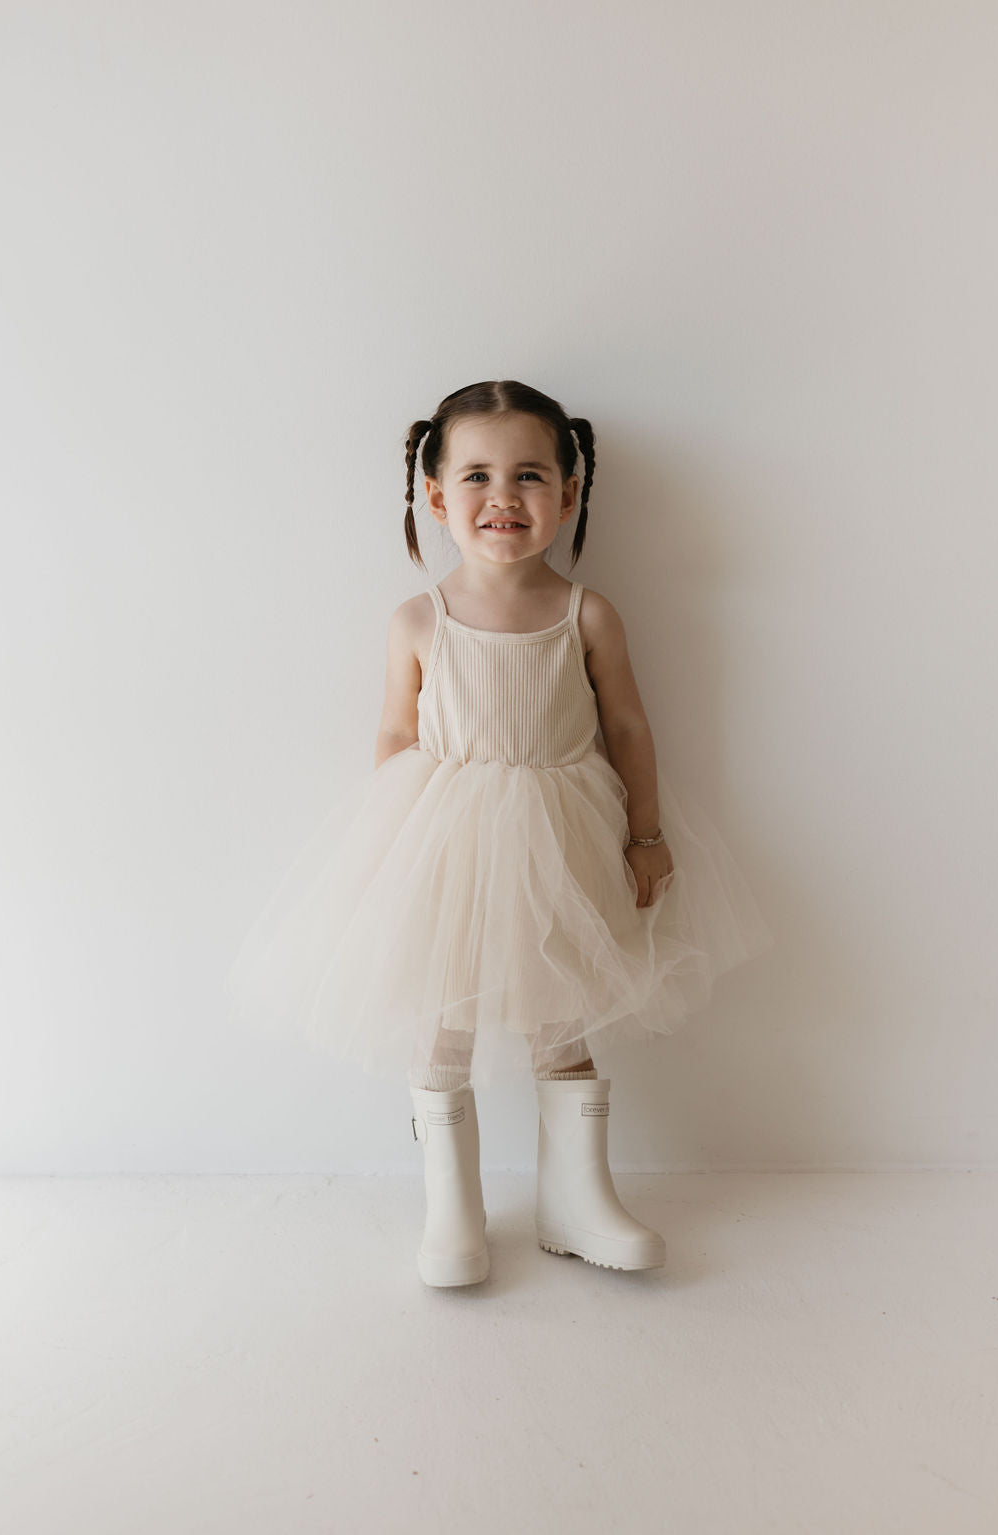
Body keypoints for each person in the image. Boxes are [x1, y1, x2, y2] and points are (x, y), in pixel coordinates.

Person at [224, 379, 774, 1288]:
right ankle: (453, 1210)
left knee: (565, 1013)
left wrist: (646, 832)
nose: (504, 496)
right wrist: (386, 847)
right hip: (446, 841)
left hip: (563, 835)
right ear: (436, 497)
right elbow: (397, 734)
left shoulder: (586, 614)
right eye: (476, 474)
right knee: (443, 1023)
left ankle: (576, 1199)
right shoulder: (418, 620)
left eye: (530, 474)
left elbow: (629, 728)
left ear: (569, 494)